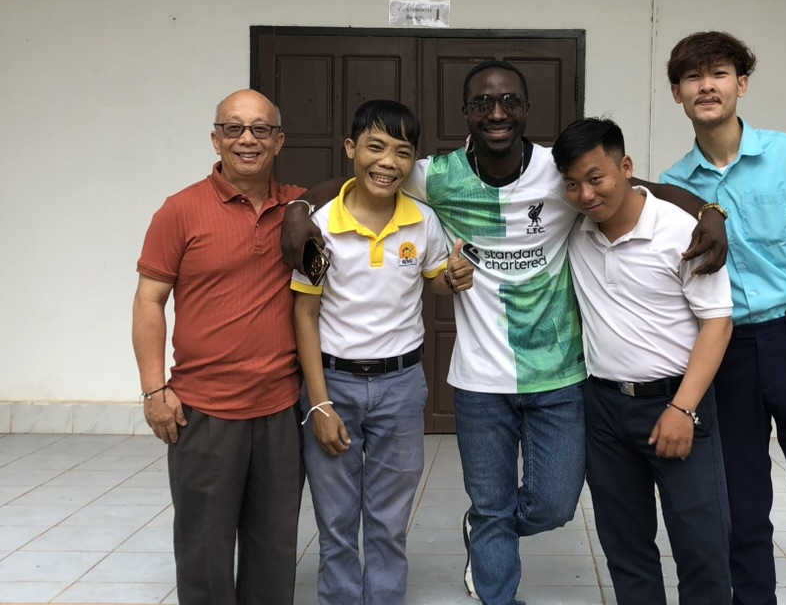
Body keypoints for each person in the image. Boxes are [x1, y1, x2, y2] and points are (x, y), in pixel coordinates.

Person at [281, 61, 729, 605]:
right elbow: (363, 177)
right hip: (479, 379)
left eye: (510, 101)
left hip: (558, 376)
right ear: (465, 113)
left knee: (555, 505)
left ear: (526, 110)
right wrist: (301, 208)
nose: (497, 113)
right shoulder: (437, 175)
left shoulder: (559, 172)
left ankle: (486, 529)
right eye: (483, 103)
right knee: (491, 505)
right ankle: (495, 574)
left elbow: (637, 187)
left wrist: (710, 210)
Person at [660, 31, 786, 605]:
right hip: (726, 353)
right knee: (741, 507)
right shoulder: (674, 186)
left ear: (741, 85)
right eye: (693, 77)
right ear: (677, 93)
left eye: (719, 74)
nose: (707, 86)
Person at [291, 100, 473, 604]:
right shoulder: (321, 226)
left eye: (402, 152)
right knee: (336, 520)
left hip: (400, 386)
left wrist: (452, 278)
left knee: (390, 520)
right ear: (351, 148)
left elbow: (433, 279)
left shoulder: (422, 221)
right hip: (334, 384)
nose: (387, 162)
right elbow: (304, 315)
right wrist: (319, 404)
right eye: (375, 147)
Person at [131, 89, 305, 605]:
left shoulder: (299, 204)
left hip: (280, 409)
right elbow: (149, 301)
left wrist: (301, 208)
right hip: (203, 412)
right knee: (204, 551)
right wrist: (153, 391)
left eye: (260, 129)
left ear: (279, 141)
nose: (247, 139)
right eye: (234, 128)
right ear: (216, 139)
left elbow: (359, 188)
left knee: (274, 551)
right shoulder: (180, 211)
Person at [552, 117, 734, 605]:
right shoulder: (575, 230)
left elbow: (718, 324)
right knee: (625, 547)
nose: (586, 195)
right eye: (572, 184)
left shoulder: (682, 232)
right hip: (604, 408)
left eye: (597, 178)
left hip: (677, 403)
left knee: (702, 547)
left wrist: (683, 409)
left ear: (626, 167)